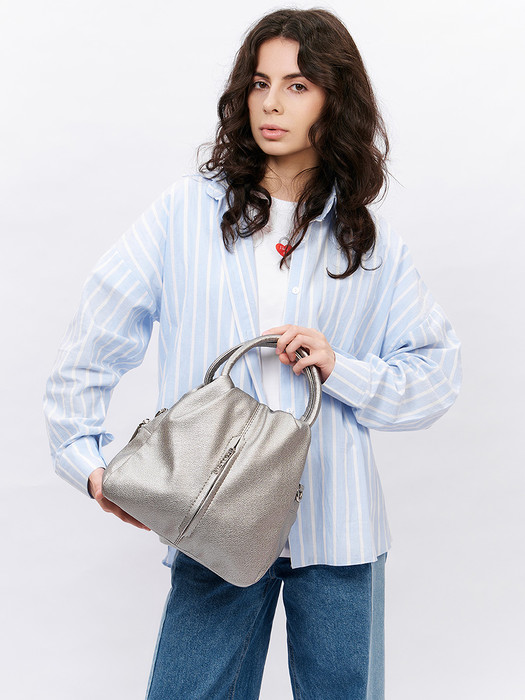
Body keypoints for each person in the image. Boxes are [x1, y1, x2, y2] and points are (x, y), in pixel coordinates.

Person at [43, 8, 462, 699]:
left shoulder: (368, 241)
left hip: (338, 526)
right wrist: (84, 459)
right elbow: (94, 335)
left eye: (297, 86)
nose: (271, 103)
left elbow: (435, 375)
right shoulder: (185, 214)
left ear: (335, 101)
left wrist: (341, 369)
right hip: (212, 519)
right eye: (260, 83)